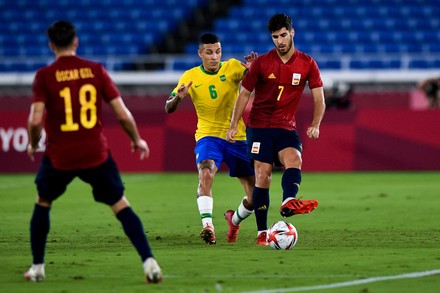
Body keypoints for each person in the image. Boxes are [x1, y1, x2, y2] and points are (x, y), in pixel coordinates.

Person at [24, 21, 162, 284]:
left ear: (51, 45)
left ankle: (38, 268)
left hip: (60, 156)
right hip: (95, 154)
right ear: (76, 42)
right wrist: (137, 140)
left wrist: (33, 142)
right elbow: (122, 113)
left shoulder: (44, 76)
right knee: (120, 204)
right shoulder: (95, 69)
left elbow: (34, 121)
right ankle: (149, 262)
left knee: (43, 201)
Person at [226, 13, 326, 245]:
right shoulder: (262, 63)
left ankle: (288, 201)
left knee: (295, 159)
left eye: (283, 35)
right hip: (259, 127)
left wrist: (316, 123)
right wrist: (233, 125)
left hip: (285, 126)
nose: (280, 41)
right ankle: (262, 233)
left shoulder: (307, 63)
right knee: (263, 176)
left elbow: (319, 97)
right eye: (275, 37)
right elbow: (243, 94)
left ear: (292, 33)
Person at [165, 33, 257, 245]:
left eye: (218, 51)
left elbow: (258, 83)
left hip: (237, 136)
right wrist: (178, 97)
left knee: (255, 197)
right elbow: (168, 107)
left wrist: (253, 71)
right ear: (200, 53)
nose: (214, 57)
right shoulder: (190, 76)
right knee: (205, 171)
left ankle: (234, 220)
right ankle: (208, 226)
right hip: (208, 136)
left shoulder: (233, 67)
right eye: (209, 52)